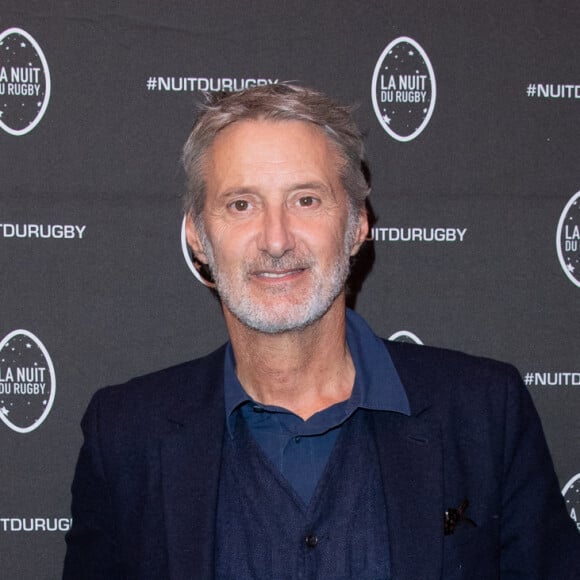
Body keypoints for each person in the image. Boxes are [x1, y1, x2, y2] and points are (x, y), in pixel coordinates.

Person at [63, 84, 580, 579]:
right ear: (197, 236)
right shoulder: (126, 436)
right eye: (241, 204)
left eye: (305, 200)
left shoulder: (484, 413)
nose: (276, 239)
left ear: (357, 224)